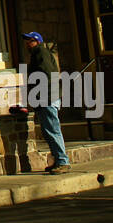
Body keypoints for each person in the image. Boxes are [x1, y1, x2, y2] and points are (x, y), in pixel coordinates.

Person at [21, 31, 69, 174]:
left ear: (36, 41)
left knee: (53, 130)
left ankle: (63, 161)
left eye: (29, 41)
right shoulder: (38, 53)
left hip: (48, 98)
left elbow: (47, 76)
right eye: (26, 41)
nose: (27, 44)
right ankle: (58, 160)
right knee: (48, 131)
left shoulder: (40, 52)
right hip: (46, 98)